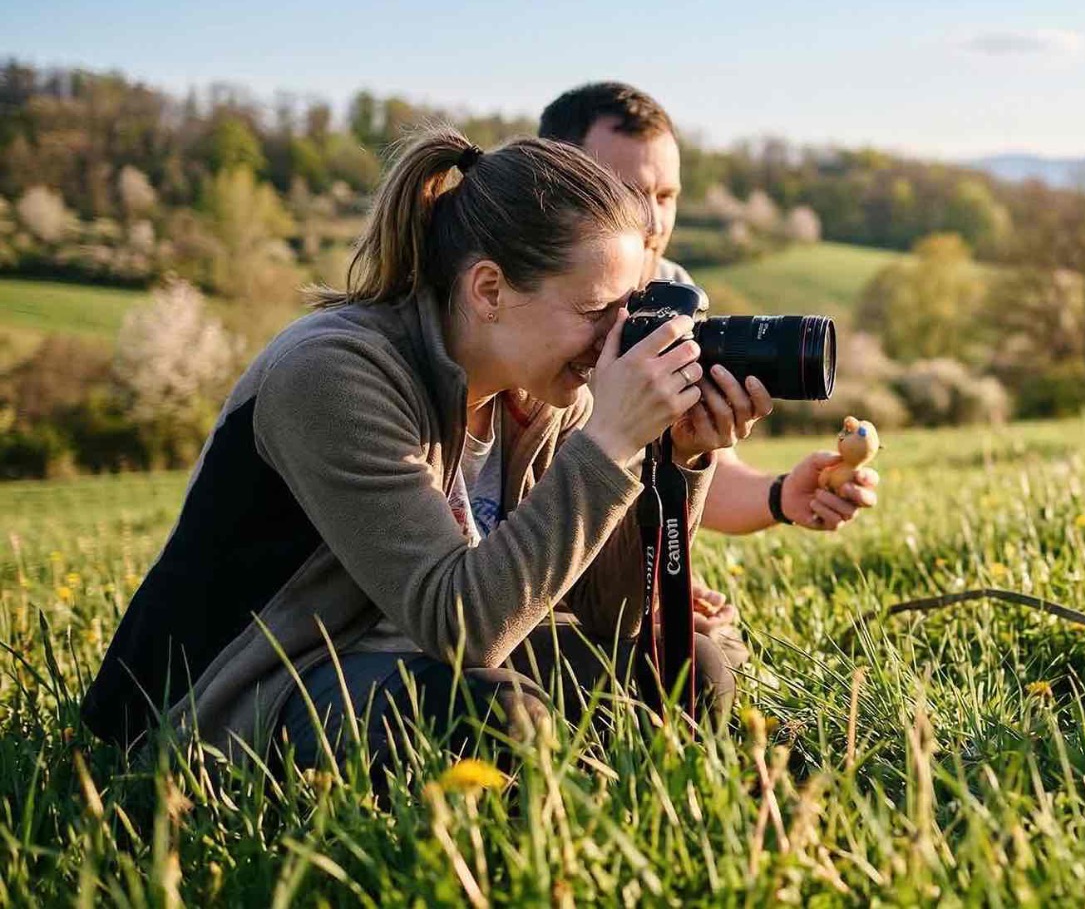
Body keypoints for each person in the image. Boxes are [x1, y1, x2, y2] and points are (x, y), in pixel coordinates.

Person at [82, 128, 738, 771]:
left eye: (627, 311)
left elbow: (614, 614)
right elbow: (462, 628)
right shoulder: (332, 371)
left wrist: (676, 458)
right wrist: (611, 442)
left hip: (418, 662)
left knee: (686, 670)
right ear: (489, 290)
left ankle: (638, 785)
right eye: (597, 310)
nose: (614, 340)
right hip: (251, 689)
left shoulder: (545, 393)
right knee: (485, 715)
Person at [537, 84, 882, 642]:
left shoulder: (674, 293)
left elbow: (698, 471)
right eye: (627, 192)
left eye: (667, 194)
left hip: (605, 574)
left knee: (705, 659)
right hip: (531, 571)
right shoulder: (536, 308)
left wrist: (783, 495)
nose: (652, 219)